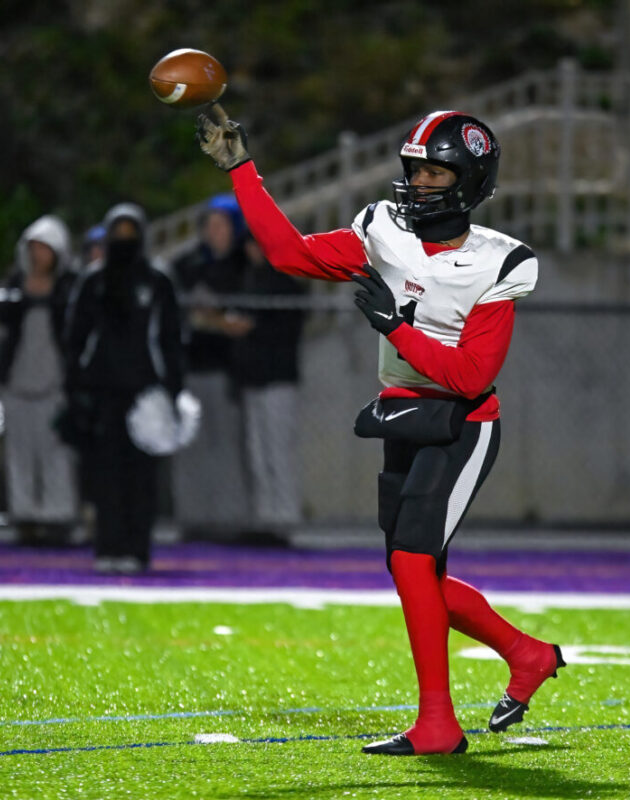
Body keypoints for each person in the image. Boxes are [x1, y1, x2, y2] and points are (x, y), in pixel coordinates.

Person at [196, 106, 565, 755]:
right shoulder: (383, 229)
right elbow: (288, 254)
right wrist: (242, 170)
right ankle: (525, 652)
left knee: (413, 559)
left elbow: (471, 375)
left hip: (463, 423)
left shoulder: (499, 261)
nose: (419, 182)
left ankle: (438, 725)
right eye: (414, 170)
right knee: (411, 570)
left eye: (435, 172)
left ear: (470, 180)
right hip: (403, 415)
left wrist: (396, 325)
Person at [61, 203, 186, 573]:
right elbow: (75, 338)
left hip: (146, 395)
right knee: (104, 475)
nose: (124, 242)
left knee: (141, 477)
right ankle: (108, 547)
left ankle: (136, 549)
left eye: (131, 235)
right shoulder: (93, 282)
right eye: (118, 235)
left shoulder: (158, 281)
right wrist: (77, 388)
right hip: (103, 392)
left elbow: (171, 339)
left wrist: (172, 391)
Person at [170, 194, 253, 541]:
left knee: (227, 446)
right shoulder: (189, 265)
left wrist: (213, 318)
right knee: (191, 447)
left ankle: (229, 520)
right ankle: (193, 518)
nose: (214, 232)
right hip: (192, 367)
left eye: (222, 225)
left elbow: (238, 319)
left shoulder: (243, 266)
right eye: (210, 225)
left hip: (226, 370)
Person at [0, 215, 79, 546]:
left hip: (54, 383)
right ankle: (25, 515)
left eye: (45, 248)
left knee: (56, 452)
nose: (38, 255)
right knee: (19, 453)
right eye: (33, 248)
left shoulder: (70, 287)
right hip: (17, 382)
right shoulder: (14, 284)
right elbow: (1, 321)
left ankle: (58, 515)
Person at [234, 235, 307, 544]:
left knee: (278, 451)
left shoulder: (284, 281)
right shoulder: (249, 279)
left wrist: (248, 325)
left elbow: (277, 324)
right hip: (253, 378)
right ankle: (264, 518)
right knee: (257, 453)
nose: (253, 250)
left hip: (277, 379)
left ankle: (285, 519)